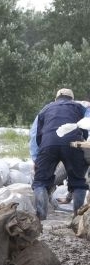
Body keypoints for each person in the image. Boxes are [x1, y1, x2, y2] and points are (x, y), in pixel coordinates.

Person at [33, 88, 89, 219]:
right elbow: (85, 127)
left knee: (40, 182)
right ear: (72, 99)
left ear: (56, 99)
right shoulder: (79, 107)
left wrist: (38, 157)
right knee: (79, 182)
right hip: (72, 144)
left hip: (48, 144)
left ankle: (41, 217)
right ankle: (77, 218)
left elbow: (37, 135)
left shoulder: (46, 109)